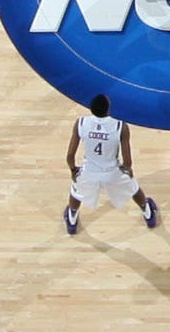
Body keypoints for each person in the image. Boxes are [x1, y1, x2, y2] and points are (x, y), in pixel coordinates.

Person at [64, 93, 161, 233]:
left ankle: (72, 219)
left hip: (90, 171)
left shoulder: (81, 123)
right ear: (108, 109)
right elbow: (128, 161)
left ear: (90, 108)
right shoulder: (120, 126)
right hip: (112, 172)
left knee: (76, 191)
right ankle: (148, 213)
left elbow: (69, 156)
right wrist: (126, 171)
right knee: (134, 188)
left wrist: (73, 170)